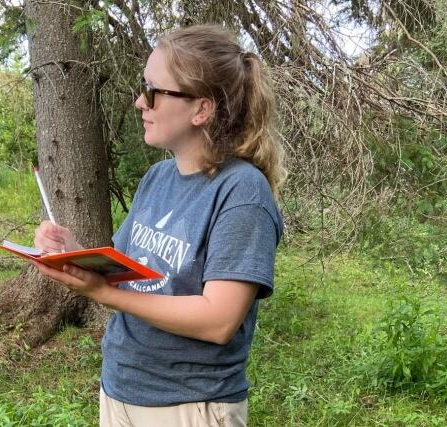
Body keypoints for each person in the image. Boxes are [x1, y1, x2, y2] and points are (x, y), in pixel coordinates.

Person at [28, 24, 286, 427]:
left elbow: (219, 321)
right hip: (121, 388)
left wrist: (104, 295)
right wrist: (71, 248)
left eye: (153, 90)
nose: (138, 102)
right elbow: (124, 271)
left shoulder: (242, 192)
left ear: (201, 109)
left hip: (190, 406)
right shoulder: (158, 178)